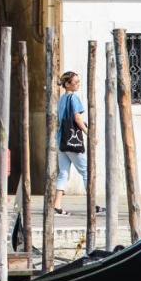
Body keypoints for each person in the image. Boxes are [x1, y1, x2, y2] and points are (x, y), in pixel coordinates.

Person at [53, 71, 88, 216]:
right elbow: (77, 119)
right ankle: (92, 204)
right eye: (76, 82)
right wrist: (88, 133)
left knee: (63, 173)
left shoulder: (62, 99)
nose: (78, 84)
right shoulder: (74, 98)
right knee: (86, 171)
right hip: (72, 140)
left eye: (78, 82)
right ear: (67, 84)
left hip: (61, 139)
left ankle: (57, 205)